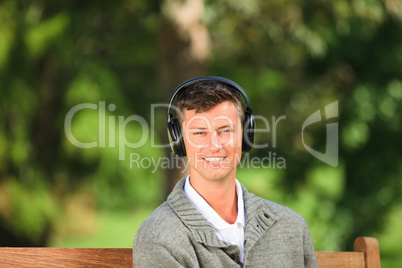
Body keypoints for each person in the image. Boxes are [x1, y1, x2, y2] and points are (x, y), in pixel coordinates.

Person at [133, 76, 318, 267]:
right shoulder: (159, 237)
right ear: (179, 141)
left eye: (225, 130)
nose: (214, 145)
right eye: (199, 133)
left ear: (245, 135)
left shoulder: (292, 228)